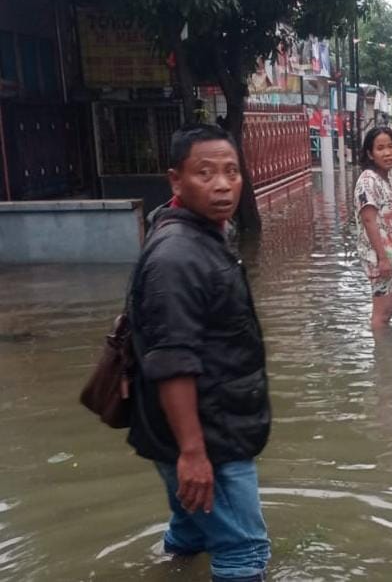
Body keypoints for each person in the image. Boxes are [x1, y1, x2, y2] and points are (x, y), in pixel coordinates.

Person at [127, 123, 271, 582]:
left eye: (231, 171)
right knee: (244, 552)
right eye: (205, 173)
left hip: (198, 430)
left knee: (189, 534)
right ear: (176, 181)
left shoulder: (198, 235)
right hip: (208, 438)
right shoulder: (178, 255)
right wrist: (193, 453)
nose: (223, 184)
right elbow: (173, 360)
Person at [354, 127, 392, 327]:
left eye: (390, 147)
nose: (387, 153)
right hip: (381, 258)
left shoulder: (387, 178)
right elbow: (369, 220)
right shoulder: (368, 181)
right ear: (370, 153)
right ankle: (382, 356)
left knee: (387, 315)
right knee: (381, 316)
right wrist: (382, 258)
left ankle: (388, 355)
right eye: (380, 148)